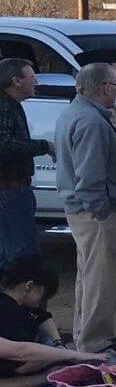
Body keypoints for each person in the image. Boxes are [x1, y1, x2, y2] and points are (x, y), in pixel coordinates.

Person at [55, 63, 116, 355]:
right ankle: (95, 342)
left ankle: (85, 335)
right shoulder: (91, 122)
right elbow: (89, 177)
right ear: (104, 88)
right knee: (101, 278)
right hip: (96, 213)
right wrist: (104, 213)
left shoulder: (75, 114)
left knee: (89, 276)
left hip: (83, 211)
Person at [0, 256, 111, 387]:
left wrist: (55, 355)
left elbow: (42, 316)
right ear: (28, 286)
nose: (42, 301)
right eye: (43, 295)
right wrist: (74, 355)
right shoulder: (13, 317)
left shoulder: (14, 306)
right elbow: (20, 353)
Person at [0, 58, 49, 266]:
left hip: (13, 190)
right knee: (21, 254)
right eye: (32, 78)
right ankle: (18, 295)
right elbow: (3, 144)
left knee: (9, 251)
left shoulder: (11, 104)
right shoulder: (4, 106)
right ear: (16, 81)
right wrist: (43, 146)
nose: (36, 83)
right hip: (10, 191)